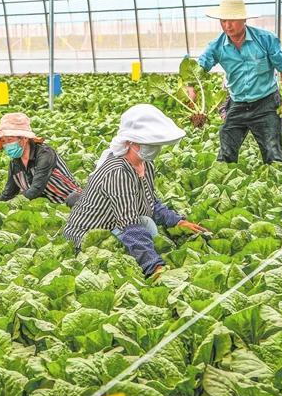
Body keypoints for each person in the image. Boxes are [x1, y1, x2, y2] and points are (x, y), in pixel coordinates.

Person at [63, 104, 208, 279]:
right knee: (139, 236)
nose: (154, 148)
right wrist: (154, 267)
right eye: (147, 143)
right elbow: (130, 225)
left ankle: (146, 258)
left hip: (114, 225)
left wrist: (177, 221)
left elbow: (152, 203)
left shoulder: (146, 164)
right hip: (89, 238)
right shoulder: (118, 172)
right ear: (129, 143)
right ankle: (146, 263)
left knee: (147, 224)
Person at [192, 0, 282, 163]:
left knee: (273, 153)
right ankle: (223, 178)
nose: (227, 25)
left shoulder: (265, 39)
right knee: (226, 150)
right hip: (237, 104)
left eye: (232, 20)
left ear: (244, 19)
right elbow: (199, 68)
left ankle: (276, 176)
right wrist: (191, 87)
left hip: (266, 103)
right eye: (223, 21)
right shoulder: (216, 46)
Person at [0, 112, 82, 206]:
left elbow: (36, 189)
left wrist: (15, 202)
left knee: (73, 198)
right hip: (47, 207)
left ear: (24, 138)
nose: (6, 145)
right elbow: (8, 193)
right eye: (3, 141)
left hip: (73, 202)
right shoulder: (15, 163)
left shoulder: (45, 154)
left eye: (10, 140)